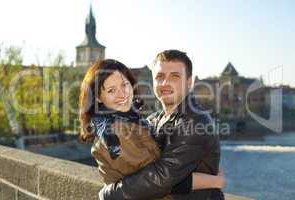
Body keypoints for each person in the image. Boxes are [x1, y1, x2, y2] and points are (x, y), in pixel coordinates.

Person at [79, 58, 225, 200]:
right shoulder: (115, 134)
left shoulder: (139, 121)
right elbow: (158, 181)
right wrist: (212, 181)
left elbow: (153, 178)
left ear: (189, 82)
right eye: (111, 90)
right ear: (98, 98)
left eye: (124, 85)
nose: (122, 94)